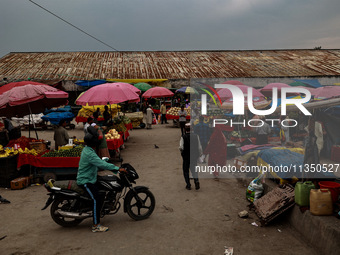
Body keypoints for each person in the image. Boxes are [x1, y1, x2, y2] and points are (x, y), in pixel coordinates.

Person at [76, 131, 126, 232]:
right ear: (95, 143)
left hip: (91, 177)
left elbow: (98, 162)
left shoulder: (88, 149)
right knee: (96, 199)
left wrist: (105, 160)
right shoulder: (90, 153)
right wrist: (117, 169)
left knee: (104, 187)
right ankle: (96, 225)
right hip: (86, 180)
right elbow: (101, 164)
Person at [179, 123, 201, 190]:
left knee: (186, 170)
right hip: (194, 156)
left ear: (185, 129)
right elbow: (199, 147)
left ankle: (188, 185)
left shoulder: (183, 137)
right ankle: (196, 180)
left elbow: (181, 147)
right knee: (194, 169)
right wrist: (199, 155)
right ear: (192, 129)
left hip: (186, 156)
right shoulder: (196, 136)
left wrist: (182, 153)